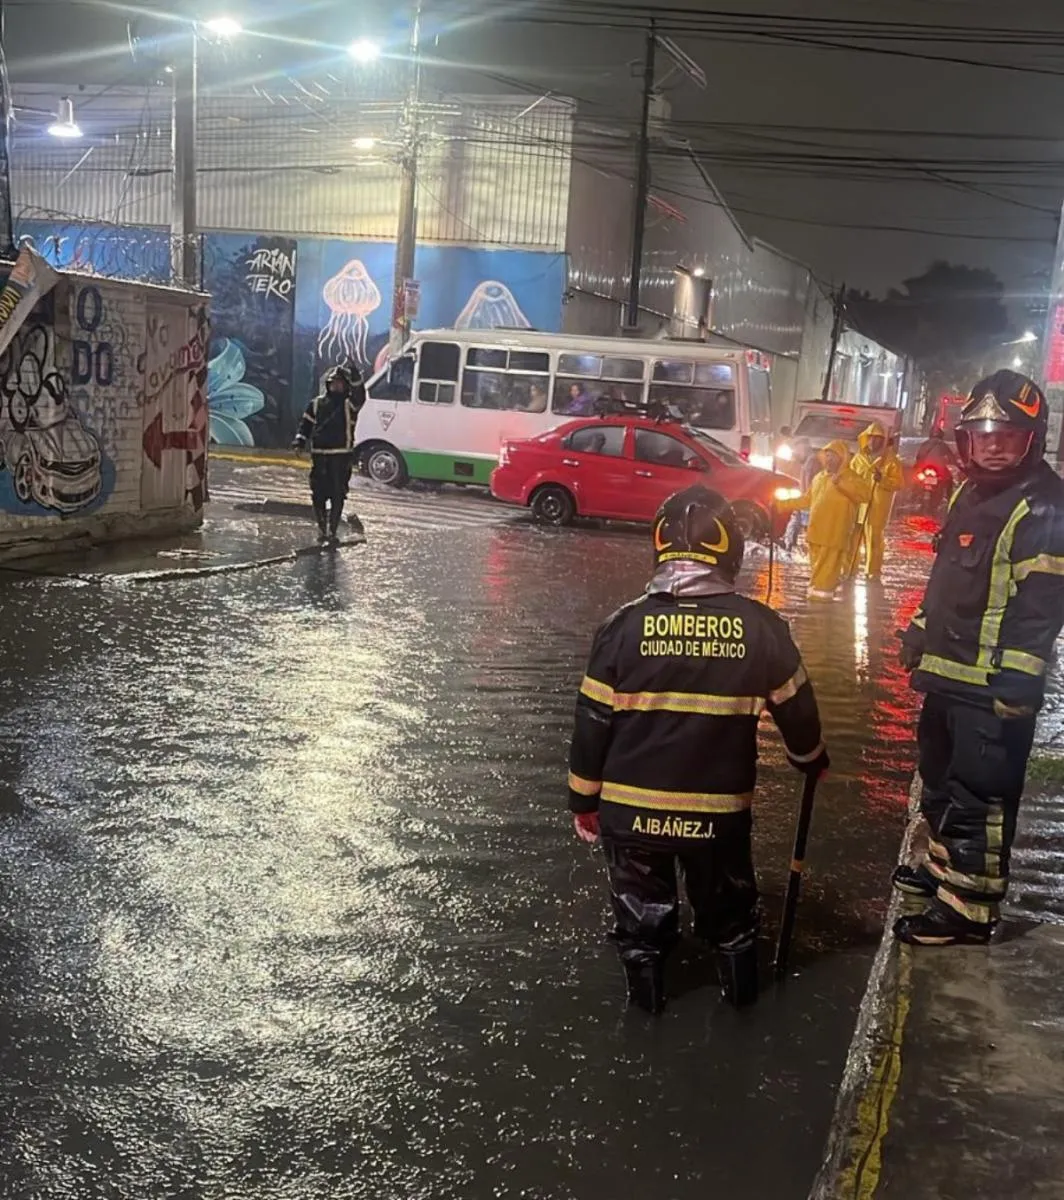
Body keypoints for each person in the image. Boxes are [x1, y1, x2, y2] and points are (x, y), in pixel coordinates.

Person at [567, 485, 827, 1013]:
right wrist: (810, 760)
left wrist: (584, 800)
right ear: (729, 549)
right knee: (731, 914)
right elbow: (798, 712)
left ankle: (646, 1010)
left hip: (631, 812)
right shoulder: (763, 628)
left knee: (640, 921)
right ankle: (743, 1004)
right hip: (718, 815)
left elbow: (592, 722)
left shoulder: (620, 627)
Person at [896, 369, 1064, 946]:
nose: (993, 444)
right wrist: (919, 629)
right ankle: (942, 875)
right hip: (947, 677)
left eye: (1007, 434)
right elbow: (946, 580)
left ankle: (969, 910)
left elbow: (1041, 608)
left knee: (981, 794)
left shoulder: (1043, 509)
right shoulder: (971, 494)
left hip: (992, 687)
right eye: (984, 432)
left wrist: (1018, 683)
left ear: (1032, 439)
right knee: (940, 782)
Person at [780, 440, 872, 598]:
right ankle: (815, 609)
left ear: (842, 458)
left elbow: (864, 495)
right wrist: (781, 504)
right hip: (815, 534)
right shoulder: (819, 478)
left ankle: (822, 609)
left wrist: (841, 484)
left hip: (834, 536)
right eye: (827, 455)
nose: (829, 459)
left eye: (833, 456)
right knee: (816, 574)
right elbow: (807, 500)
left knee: (825, 580)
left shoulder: (851, 477)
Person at [293, 365, 366, 544]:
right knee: (318, 494)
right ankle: (322, 528)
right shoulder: (316, 404)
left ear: (346, 386)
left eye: (340, 383)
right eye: (334, 383)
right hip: (319, 456)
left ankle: (332, 531)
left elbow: (360, 396)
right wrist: (299, 441)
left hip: (341, 457)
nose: (336, 386)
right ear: (328, 384)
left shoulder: (350, 405)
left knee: (337, 494)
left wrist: (356, 375)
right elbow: (306, 424)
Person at [849, 421, 905, 580]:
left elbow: (899, 483)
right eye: (871, 438)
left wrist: (883, 480)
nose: (873, 441)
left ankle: (872, 572)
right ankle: (850, 569)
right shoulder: (858, 459)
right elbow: (850, 479)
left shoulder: (890, 461)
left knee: (874, 540)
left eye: (877, 438)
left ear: (883, 440)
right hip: (858, 505)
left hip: (877, 508)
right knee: (853, 539)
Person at [782, 437, 815, 551]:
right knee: (797, 522)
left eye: (797, 451)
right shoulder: (808, 462)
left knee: (807, 529)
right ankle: (790, 545)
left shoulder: (812, 463)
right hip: (806, 502)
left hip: (810, 503)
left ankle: (791, 546)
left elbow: (812, 485)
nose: (796, 455)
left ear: (804, 448)